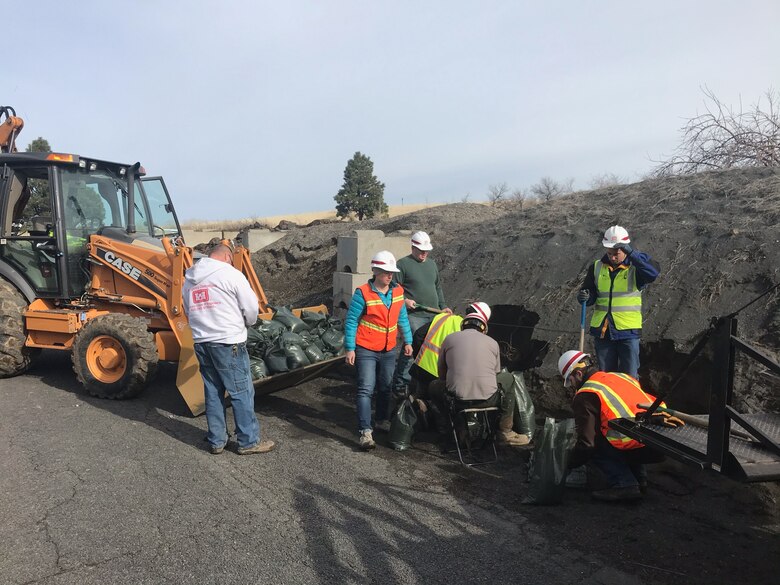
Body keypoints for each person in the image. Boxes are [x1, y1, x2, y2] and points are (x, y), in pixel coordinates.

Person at [183, 244, 275, 455]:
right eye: (231, 259)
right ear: (226, 256)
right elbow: (251, 308)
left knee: (213, 391)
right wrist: (247, 324)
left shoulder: (190, 280)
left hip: (202, 342)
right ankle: (248, 441)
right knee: (241, 391)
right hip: (228, 341)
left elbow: (188, 310)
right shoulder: (231, 274)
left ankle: (217, 440)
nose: (232, 262)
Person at [559, 350, 682, 501]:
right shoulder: (619, 376)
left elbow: (587, 444)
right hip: (659, 437)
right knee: (626, 432)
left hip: (639, 443)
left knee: (596, 445)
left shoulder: (586, 395)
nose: (572, 386)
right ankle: (640, 479)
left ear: (578, 374)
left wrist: (567, 464)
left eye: (570, 381)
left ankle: (625, 484)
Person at [432, 302, 529, 447]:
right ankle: (504, 431)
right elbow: (496, 373)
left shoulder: (449, 339)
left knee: (433, 386)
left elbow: (441, 374)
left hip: (457, 401)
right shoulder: (492, 343)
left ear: (463, 325)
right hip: (488, 400)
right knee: (508, 379)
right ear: (484, 328)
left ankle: (454, 428)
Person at [344, 250, 413, 451]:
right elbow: (351, 322)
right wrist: (350, 348)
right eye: (385, 272)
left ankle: (382, 419)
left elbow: (402, 318)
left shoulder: (398, 292)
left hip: (389, 349)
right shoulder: (363, 293)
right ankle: (365, 431)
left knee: (385, 386)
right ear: (375, 271)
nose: (389, 275)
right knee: (366, 388)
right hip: (366, 348)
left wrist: (407, 341)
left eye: (391, 272)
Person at [577, 225, 659, 378]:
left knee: (630, 377)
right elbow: (590, 292)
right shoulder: (596, 267)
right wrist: (585, 297)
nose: (612, 257)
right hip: (603, 332)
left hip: (628, 332)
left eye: (617, 253)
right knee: (607, 378)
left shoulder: (636, 268)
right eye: (609, 253)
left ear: (625, 249)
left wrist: (632, 254)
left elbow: (653, 272)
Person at [391, 231, 452, 392]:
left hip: (433, 314)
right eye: (421, 250)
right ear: (413, 247)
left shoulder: (431, 264)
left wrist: (443, 306)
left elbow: (437, 287)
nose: (424, 253)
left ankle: (422, 382)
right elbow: (393, 289)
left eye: (426, 251)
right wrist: (404, 300)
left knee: (431, 349)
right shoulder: (402, 265)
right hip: (414, 316)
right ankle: (400, 385)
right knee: (411, 348)